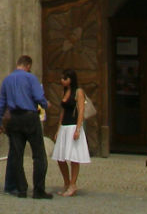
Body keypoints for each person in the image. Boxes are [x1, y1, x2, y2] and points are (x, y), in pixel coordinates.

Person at [0, 54, 52, 200]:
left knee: (16, 155)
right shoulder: (30, 78)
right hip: (29, 117)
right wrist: (46, 104)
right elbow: (38, 97)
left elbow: (1, 103)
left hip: (14, 119)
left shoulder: (7, 80)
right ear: (28, 66)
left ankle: (21, 189)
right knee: (39, 155)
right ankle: (38, 190)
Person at [51, 68, 92, 197]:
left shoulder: (78, 92)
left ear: (71, 79)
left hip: (73, 126)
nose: (62, 80)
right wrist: (58, 128)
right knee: (60, 157)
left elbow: (81, 110)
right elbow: (62, 111)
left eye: (65, 78)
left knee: (74, 157)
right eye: (62, 78)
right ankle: (67, 182)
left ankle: (73, 184)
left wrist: (78, 129)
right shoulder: (64, 91)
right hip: (64, 127)